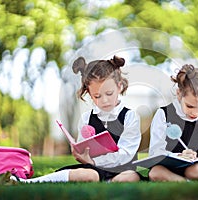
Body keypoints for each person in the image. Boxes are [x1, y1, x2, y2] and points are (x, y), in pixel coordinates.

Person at [12, 55, 142, 183]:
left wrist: (95, 161)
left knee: (131, 177)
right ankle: (29, 182)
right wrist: (80, 155)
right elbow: (84, 150)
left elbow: (126, 154)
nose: (104, 100)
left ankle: (107, 182)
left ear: (119, 87)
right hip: (94, 169)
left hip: (122, 169)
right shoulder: (87, 118)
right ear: (89, 93)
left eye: (109, 93)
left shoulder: (130, 117)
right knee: (89, 175)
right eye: (97, 96)